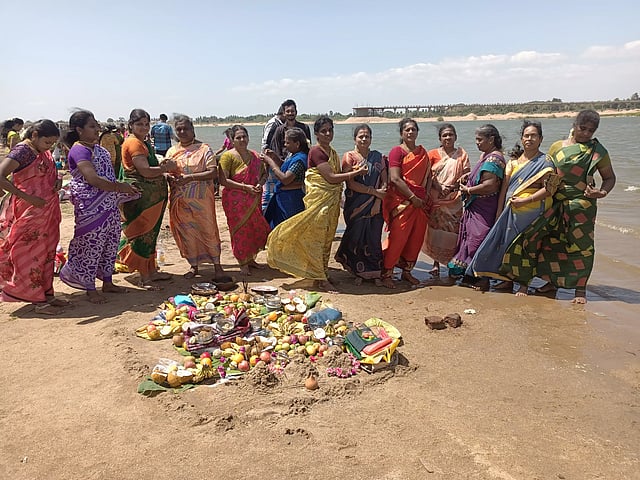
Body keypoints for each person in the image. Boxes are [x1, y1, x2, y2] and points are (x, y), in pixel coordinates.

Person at [499, 110, 616, 304]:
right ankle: (540, 283)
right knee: (541, 241)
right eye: (583, 128)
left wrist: (602, 192)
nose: (586, 133)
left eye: (591, 130)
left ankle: (580, 290)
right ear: (574, 125)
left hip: (582, 206)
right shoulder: (557, 147)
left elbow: (609, 178)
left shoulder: (598, 151)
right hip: (553, 202)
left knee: (581, 246)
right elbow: (545, 174)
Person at [267, 116, 365, 291]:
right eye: (323, 131)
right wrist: (354, 174)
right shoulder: (316, 152)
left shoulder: (331, 152)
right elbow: (331, 178)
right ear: (317, 134)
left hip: (331, 202)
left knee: (327, 239)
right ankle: (320, 277)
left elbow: (336, 174)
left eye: (330, 130)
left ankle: (323, 273)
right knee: (317, 240)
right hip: (320, 203)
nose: (328, 134)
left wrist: (352, 169)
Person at [466, 120, 557, 294]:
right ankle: (507, 281)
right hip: (510, 212)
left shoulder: (546, 162)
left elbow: (549, 189)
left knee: (527, 248)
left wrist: (526, 200)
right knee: (507, 247)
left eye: (533, 136)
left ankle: (523, 284)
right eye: (526, 136)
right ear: (522, 139)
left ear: (541, 139)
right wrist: (499, 211)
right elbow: (504, 190)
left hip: (532, 213)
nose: (529, 139)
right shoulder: (513, 162)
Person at [58, 110, 139, 303]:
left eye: (97, 125)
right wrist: (120, 187)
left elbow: (107, 175)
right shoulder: (79, 150)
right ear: (79, 130)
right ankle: (90, 288)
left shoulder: (98, 148)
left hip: (108, 204)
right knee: (91, 246)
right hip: (90, 207)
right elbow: (92, 179)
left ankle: (108, 282)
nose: (97, 129)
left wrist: (123, 189)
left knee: (110, 243)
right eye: (92, 126)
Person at [0, 119, 69, 314]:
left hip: (47, 210)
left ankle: (47, 294)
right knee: (29, 253)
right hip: (29, 210)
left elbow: (48, 173)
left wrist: (56, 182)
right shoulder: (23, 151)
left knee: (47, 252)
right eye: (47, 142)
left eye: (53, 143)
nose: (49, 147)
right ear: (35, 135)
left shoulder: (41, 151)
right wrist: (27, 197)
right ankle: (37, 300)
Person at [117, 108, 177, 290]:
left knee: (151, 235)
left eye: (146, 124)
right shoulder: (134, 143)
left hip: (151, 199)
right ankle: (144, 277)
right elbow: (144, 171)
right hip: (142, 201)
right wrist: (166, 168)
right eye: (139, 124)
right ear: (131, 125)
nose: (144, 127)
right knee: (142, 235)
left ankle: (151, 270)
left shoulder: (143, 142)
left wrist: (162, 169)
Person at [165, 114, 225, 279]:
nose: (182, 132)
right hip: (180, 201)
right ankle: (194, 266)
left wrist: (190, 178)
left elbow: (213, 172)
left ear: (192, 129)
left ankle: (217, 265)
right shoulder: (172, 151)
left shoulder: (204, 149)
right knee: (187, 233)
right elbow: (166, 171)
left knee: (208, 230)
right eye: (178, 129)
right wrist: (168, 177)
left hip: (202, 200)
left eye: (185, 128)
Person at [449, 124, 506, 288]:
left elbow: (490, 185)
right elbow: (481, 175)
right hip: (476, 206)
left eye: (480, 139)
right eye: (476, 139)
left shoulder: (494, 159)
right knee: (470, 240)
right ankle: (471, 276)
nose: (477, 142)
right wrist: (469, 175)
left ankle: (482, 278)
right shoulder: (486, 156)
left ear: (491, 140)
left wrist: (468, 190)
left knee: (478, 241)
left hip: (484, 208)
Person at [381, 118, 431, 289]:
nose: (410, 132)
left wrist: (425, 196)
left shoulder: (422, 153)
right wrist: (412, 197)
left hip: (420, 204)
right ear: (401, 133)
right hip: (402, 202)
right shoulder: (397, 152)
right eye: (407, 130)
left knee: (416, 239)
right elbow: (395, 178)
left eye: (413, 129)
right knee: (398, 238)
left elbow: (428, 177)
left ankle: (406, 271)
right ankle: (387, 273)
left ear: (417, 132)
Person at [335, 124, 388, 286]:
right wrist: (373, 192)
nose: (364, 139)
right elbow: (350, 183)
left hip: (376, 205)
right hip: (356, 205)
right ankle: (358, 272)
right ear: (355, 139)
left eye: (367, 136)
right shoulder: (349, 157)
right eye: (361, 136)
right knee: (356, 238)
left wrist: (378, 200)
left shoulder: (378, 157)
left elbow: (385, 181)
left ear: (371, 138)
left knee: (373, 238)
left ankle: (375, 273)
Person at [218, 125, 270, 276]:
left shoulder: (255, 156)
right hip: (235, 200)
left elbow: (264, 174)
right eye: (238, 137)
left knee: (253, 229)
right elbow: (223, 180)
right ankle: (242, 262)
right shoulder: (227, 157)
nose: (242, 140)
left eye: (244, 136)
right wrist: (245, 187)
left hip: (253, 198)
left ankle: (251, 259)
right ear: (232, 140)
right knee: (239, 231)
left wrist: (260, 184)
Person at [421, 123, 470, 277]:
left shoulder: (462, 155)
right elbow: (427, 175)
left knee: (453, 232)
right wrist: (440, 187)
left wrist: (452, 187)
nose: (448, 138)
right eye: (444, 135)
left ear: (456, 137)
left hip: (454, 200)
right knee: (435, 231)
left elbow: (467, 175)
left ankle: (451, 263)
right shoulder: (432, 154)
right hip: (436, 199)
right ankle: (435, 263)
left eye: (450, 135)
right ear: (440, 138)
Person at [264, 100, 312, 212]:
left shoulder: (304, 128)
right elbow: (276, 148)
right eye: (288, 111)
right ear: (284, 113)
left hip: (295, 169)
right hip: (284, 165)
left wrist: (272, 163)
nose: (290, 113)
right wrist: (276, 160)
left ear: (296, 112)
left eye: (292, 111)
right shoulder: (279, 130)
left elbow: (308, 148)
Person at [261, 127, 309, 228]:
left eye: (287, 143)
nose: (285, 145)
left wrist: (270, 162)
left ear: (297, 144)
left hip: (291, 199)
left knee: (286, 227)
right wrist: (275, 157)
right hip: (284, 197)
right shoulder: (294, 156)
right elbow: (286, 167)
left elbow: (285, 179)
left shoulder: (300, 160)